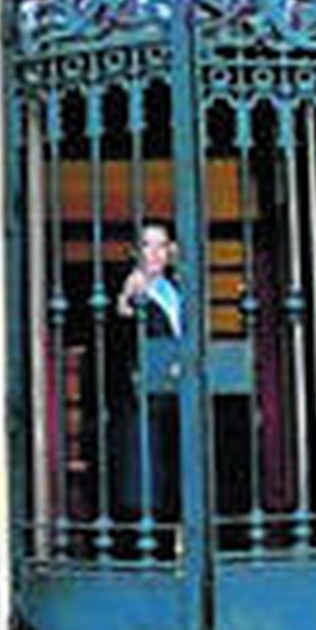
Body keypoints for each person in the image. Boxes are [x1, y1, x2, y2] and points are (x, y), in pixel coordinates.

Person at [110, 223, 182, 549]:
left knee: (171, 487)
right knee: (141, 489)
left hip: (176, 403)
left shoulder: (177, 290)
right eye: (147, 246)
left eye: (161, 246)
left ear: (171, 252)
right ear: (135, 252)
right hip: (140, 405)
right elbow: (117, 344)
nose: (154, 254)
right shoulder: (126, 290)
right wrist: (125, 303)